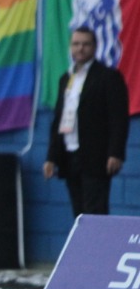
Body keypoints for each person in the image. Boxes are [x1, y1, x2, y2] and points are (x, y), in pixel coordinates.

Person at [43, 27, 130, 217]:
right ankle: (82, 248)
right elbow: (59, 119)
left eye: (85, 44)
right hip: (70, 155)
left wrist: (115, 153)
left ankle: (100, 248)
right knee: (79, 213)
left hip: (96, 158)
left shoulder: (108, 77)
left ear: (94, 47)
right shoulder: (65, 78)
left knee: (95, 212)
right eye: (76, 44)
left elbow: (118, 118)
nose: (80, 49)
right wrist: (51, 157)